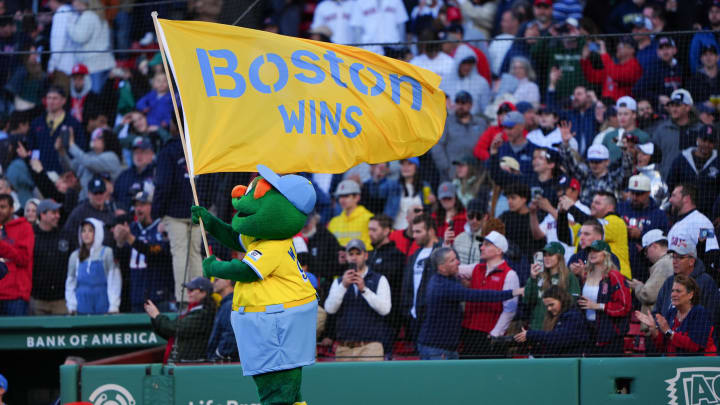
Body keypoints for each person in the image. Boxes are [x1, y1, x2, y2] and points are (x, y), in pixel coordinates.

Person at [418, 247, 524, 360]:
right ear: (442, 268)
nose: (458, 262)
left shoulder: (444, 278)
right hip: (437, 348)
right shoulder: (443, 287)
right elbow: (479, 295)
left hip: (444, 346)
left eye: (456, 258)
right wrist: (514, 292)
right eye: (452, 260)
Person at [152, 124, 203, 304]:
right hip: (197, 209)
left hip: (174, 212)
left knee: (180, 253)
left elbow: (163, 184)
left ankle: (183, 299)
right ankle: (200, 298)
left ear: (175, 124)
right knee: (196, 253)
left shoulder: (169, 150)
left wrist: (157, 211)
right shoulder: (201, 144)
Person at [325, 239, 391, 361]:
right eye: (351, 254)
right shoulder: (339, 281)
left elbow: (385, 310)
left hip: (370, 347)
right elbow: (330, 309)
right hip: (344, 347)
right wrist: (343, 286)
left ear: (366, 255)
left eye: (358, 253)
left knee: (370, 381)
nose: (354, 257)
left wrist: (364, 289)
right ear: (346, 257)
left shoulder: (379, 279)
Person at [113, 190, 175, 313]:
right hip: (136, 296)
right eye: (136, 205)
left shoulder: (162, 227)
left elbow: (157, 252)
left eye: (142, 204)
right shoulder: (131, 228)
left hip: (159, 295)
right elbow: (119, 260)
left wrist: (130, 239)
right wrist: (119, 243)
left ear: (152, 206)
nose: (138, 208)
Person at [460, 231, 520, 357]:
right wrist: (446, 245)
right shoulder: (476, 268)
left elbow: (510, 309)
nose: (481, 247)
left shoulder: (510, 274)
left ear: (499, 250)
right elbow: (452, 268)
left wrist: (495, 334)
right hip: (469, 332)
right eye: (483, 244)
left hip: (489, 336)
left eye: (487, 245)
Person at [653, 240, 720, 338]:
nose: (674, 261)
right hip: (668, 343)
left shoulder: (706, 282)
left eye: (680, 257)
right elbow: (657, 311)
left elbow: (713, 317)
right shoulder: (669, 282)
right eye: (673, 257)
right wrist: (658, 324)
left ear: (691, 261)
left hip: (696, 344)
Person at [637, 275, 717, 355]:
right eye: (672, 291)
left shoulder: (700, 313)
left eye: (678, 291)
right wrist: (654, 330)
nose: (673, 294)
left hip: (698, 364)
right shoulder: (671, 312)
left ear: (690, 295)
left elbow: (695, 345)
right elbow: (664, 347)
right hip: (674, 363)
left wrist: (668, 332)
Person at [576, 240, 632, 354]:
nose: (592, 253)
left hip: (609, 336)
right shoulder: (585, 275)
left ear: (605, 254)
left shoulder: (614, 276)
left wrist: (599, 306)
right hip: (588, 333)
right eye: (590, 251)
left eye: (596, 251)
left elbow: (625, 306)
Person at [145, 276, 216, 363]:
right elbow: (169, 332)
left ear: (203, 292)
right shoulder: (192, 310)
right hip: (184, 363)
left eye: (192, 290)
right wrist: (155, 318)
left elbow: (174, 328)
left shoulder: (204, 313)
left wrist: (157, 315)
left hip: (190, 364)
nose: (188, 293)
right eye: (188, 290)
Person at [617, 175, 669, 281]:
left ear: (648, 193)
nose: (635, 197)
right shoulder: (620, 208)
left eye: (639, 194)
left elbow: (664, 243)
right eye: (632, 193)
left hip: (645, 269)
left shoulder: (659, 215)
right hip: (620, 264)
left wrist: (641, 234)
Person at [65, 218, 121, 314]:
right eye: (83, 231)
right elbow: (70, 282)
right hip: (82, 304)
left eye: (90, 230)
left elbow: (114, 280)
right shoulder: (75, 256)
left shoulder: (107, 253)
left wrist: (114, 305)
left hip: (102, 302)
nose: (86, 234)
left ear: (98, 232)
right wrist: (72, 305)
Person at [514, 285, 589, 356]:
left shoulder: (573, 315)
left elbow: (559, 338)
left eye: (551, 304)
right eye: (547, 306)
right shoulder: (556, 316)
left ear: (561, 300)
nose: (549, 309)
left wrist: (532, 335)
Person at [400, 214, 441, 343]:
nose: (414, 236)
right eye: (413, 231)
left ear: (431, 231)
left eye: (418, 231)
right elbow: (407, 286)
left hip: (435, 320)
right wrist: (408, 311)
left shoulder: (443, 252)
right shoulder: (414, 255)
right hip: (415, 319)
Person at [27, 86, 85, 175]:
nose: (51, 101)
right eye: (49, 98)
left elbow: (80, 148)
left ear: (63, 101)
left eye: (55, 98)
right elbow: (32, 147)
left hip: (64, 175)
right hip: (42, 175)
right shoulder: (37, 122)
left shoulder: (73, 124)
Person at [666, 183, 720, 278]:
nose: (670, 200)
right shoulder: (677, 224)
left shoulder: (703, 223)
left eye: (674, 196)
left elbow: (712, 254)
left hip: (692, 282)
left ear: (686, 198)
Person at [524, 242, 581, 331]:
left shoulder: (569, 277)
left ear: (559, 257)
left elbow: (573, 303)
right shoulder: (538, 276)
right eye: (545, 255)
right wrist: (532, 278)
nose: (546, 258)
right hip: (537, 327)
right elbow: (528, 300)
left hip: (558, 329)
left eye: (550, 255)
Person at [431, 91, 487, 182]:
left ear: (470, 105)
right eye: (458, 103)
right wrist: (446, 167)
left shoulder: (480, 123)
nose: (460, 106)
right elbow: (437, 146)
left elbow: (486, 145)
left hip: (476, 175)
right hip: (451, 175)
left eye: (463, 103)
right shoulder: (446, 122)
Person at [667, 125, 720, 218]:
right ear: (698, 139)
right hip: (682, 215)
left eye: (710, 141)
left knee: (707, 233)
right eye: (704, 140)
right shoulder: (682, 159)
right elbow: (670, 184)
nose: (706, 144)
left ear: (715, 143)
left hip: (709, 217)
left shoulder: (718, 161)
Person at [651, 89, 704, 178]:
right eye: (671, 105)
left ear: (688, 107)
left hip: (692, 184)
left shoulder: (700, 129)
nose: (674, 109)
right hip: (665, 181)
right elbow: (653, 157)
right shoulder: (661, 130)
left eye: (678, 105)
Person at [58, 127, 123, 199]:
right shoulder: (90, 155)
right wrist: (61, 152)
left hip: (104, 203)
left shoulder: (112, 157)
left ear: (107, 139)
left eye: (98, 137)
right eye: (93, 137)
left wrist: (71, 145)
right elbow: (71, 167)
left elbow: (88, 163)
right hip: (85, 201)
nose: (94, 139)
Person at [30, 200, 70, 315]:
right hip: (37, 300)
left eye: (58, 213)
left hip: (61, 300)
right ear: (42, 215)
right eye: (54, 213)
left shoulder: (64, 236)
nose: (58, 216)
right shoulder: (31, 235)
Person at [67, 0, 116, 93]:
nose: (72, 5)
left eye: (73, 1)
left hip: (94, 65)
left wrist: (70, 25)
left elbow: (80, 37)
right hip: (105, 62)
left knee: (95, 97)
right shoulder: (99, 15)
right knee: (104, 96)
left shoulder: (88, 16)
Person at [0, 193, 34, 315]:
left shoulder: (24, 227)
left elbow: (23, 258)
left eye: (3, 207)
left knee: (14, 333)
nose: (0, 211)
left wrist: (1, 245)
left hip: (16, 296)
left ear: (12, 209)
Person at [62, 175, 116, 250]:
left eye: (101, 193)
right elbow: (67, 235)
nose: (99, 196)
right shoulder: (80, 212)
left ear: (105, 193)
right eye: (95, 193)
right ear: (89, 194)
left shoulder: (110, 213)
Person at [628, 230, 673, 316]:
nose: (647, 256)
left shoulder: (663, 264)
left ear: (654, 246)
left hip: (657, 323)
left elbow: (648, 295)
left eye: (646, 251)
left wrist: (637, 286)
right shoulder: (671, 260)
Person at [632, 36, 683, 105]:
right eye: (661, 49)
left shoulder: (681, 68)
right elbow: (637, 90)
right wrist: (658, 98)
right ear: (658, 52)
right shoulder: (653, 69)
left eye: (668, 48)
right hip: (661, 109)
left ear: (675, 50)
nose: (665, 52)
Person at [599, 96, 650, 164]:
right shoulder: (609, 136)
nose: (622, 117)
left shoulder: (643, 137)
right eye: (619, 114)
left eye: (626, 114)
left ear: (634, 115)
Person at [113, 136, 156, 213]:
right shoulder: (124, 175)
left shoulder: (157, 173)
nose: (138, 156)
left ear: (151, 154)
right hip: (124, 217)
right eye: (136, 152)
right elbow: (115, 197)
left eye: (142, 152)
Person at [327, 179, 374, 249]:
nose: (342, 200)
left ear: (357, 197)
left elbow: (373, 244)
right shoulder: (333, 222)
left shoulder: (369, 219)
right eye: (340, 196)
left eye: (346, 196)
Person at [206, 277, 238, 361]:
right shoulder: (226, 303)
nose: (213, 283)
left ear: (228, 280)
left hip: (225, 362)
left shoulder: (230, 304)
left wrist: (219, 354)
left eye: (216, 280)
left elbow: (231, 334)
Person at [454, 198, 489, 264]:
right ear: (466, 216)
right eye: (471, 216)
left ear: (485, 217)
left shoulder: (489, 241)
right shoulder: (458, 239)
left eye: (478, 216)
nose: (474, 220)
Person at [47, 0, 76, 77]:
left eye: (48, 3)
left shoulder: (60, 13)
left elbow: (58, 42)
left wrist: (51, 67)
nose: (49, 7)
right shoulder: (72, 10)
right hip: (75, 65)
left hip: (62, 68)